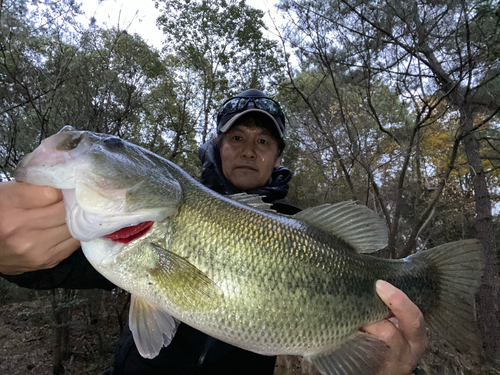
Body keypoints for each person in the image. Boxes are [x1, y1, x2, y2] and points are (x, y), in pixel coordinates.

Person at [0, 89, 427, 375]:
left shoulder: (306, 230)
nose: (248, 149)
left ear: (276, 156)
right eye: (237, 136)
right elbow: (57, 266)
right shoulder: (131, 224)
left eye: (263, 142)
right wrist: (12, 257)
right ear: (216, 145)